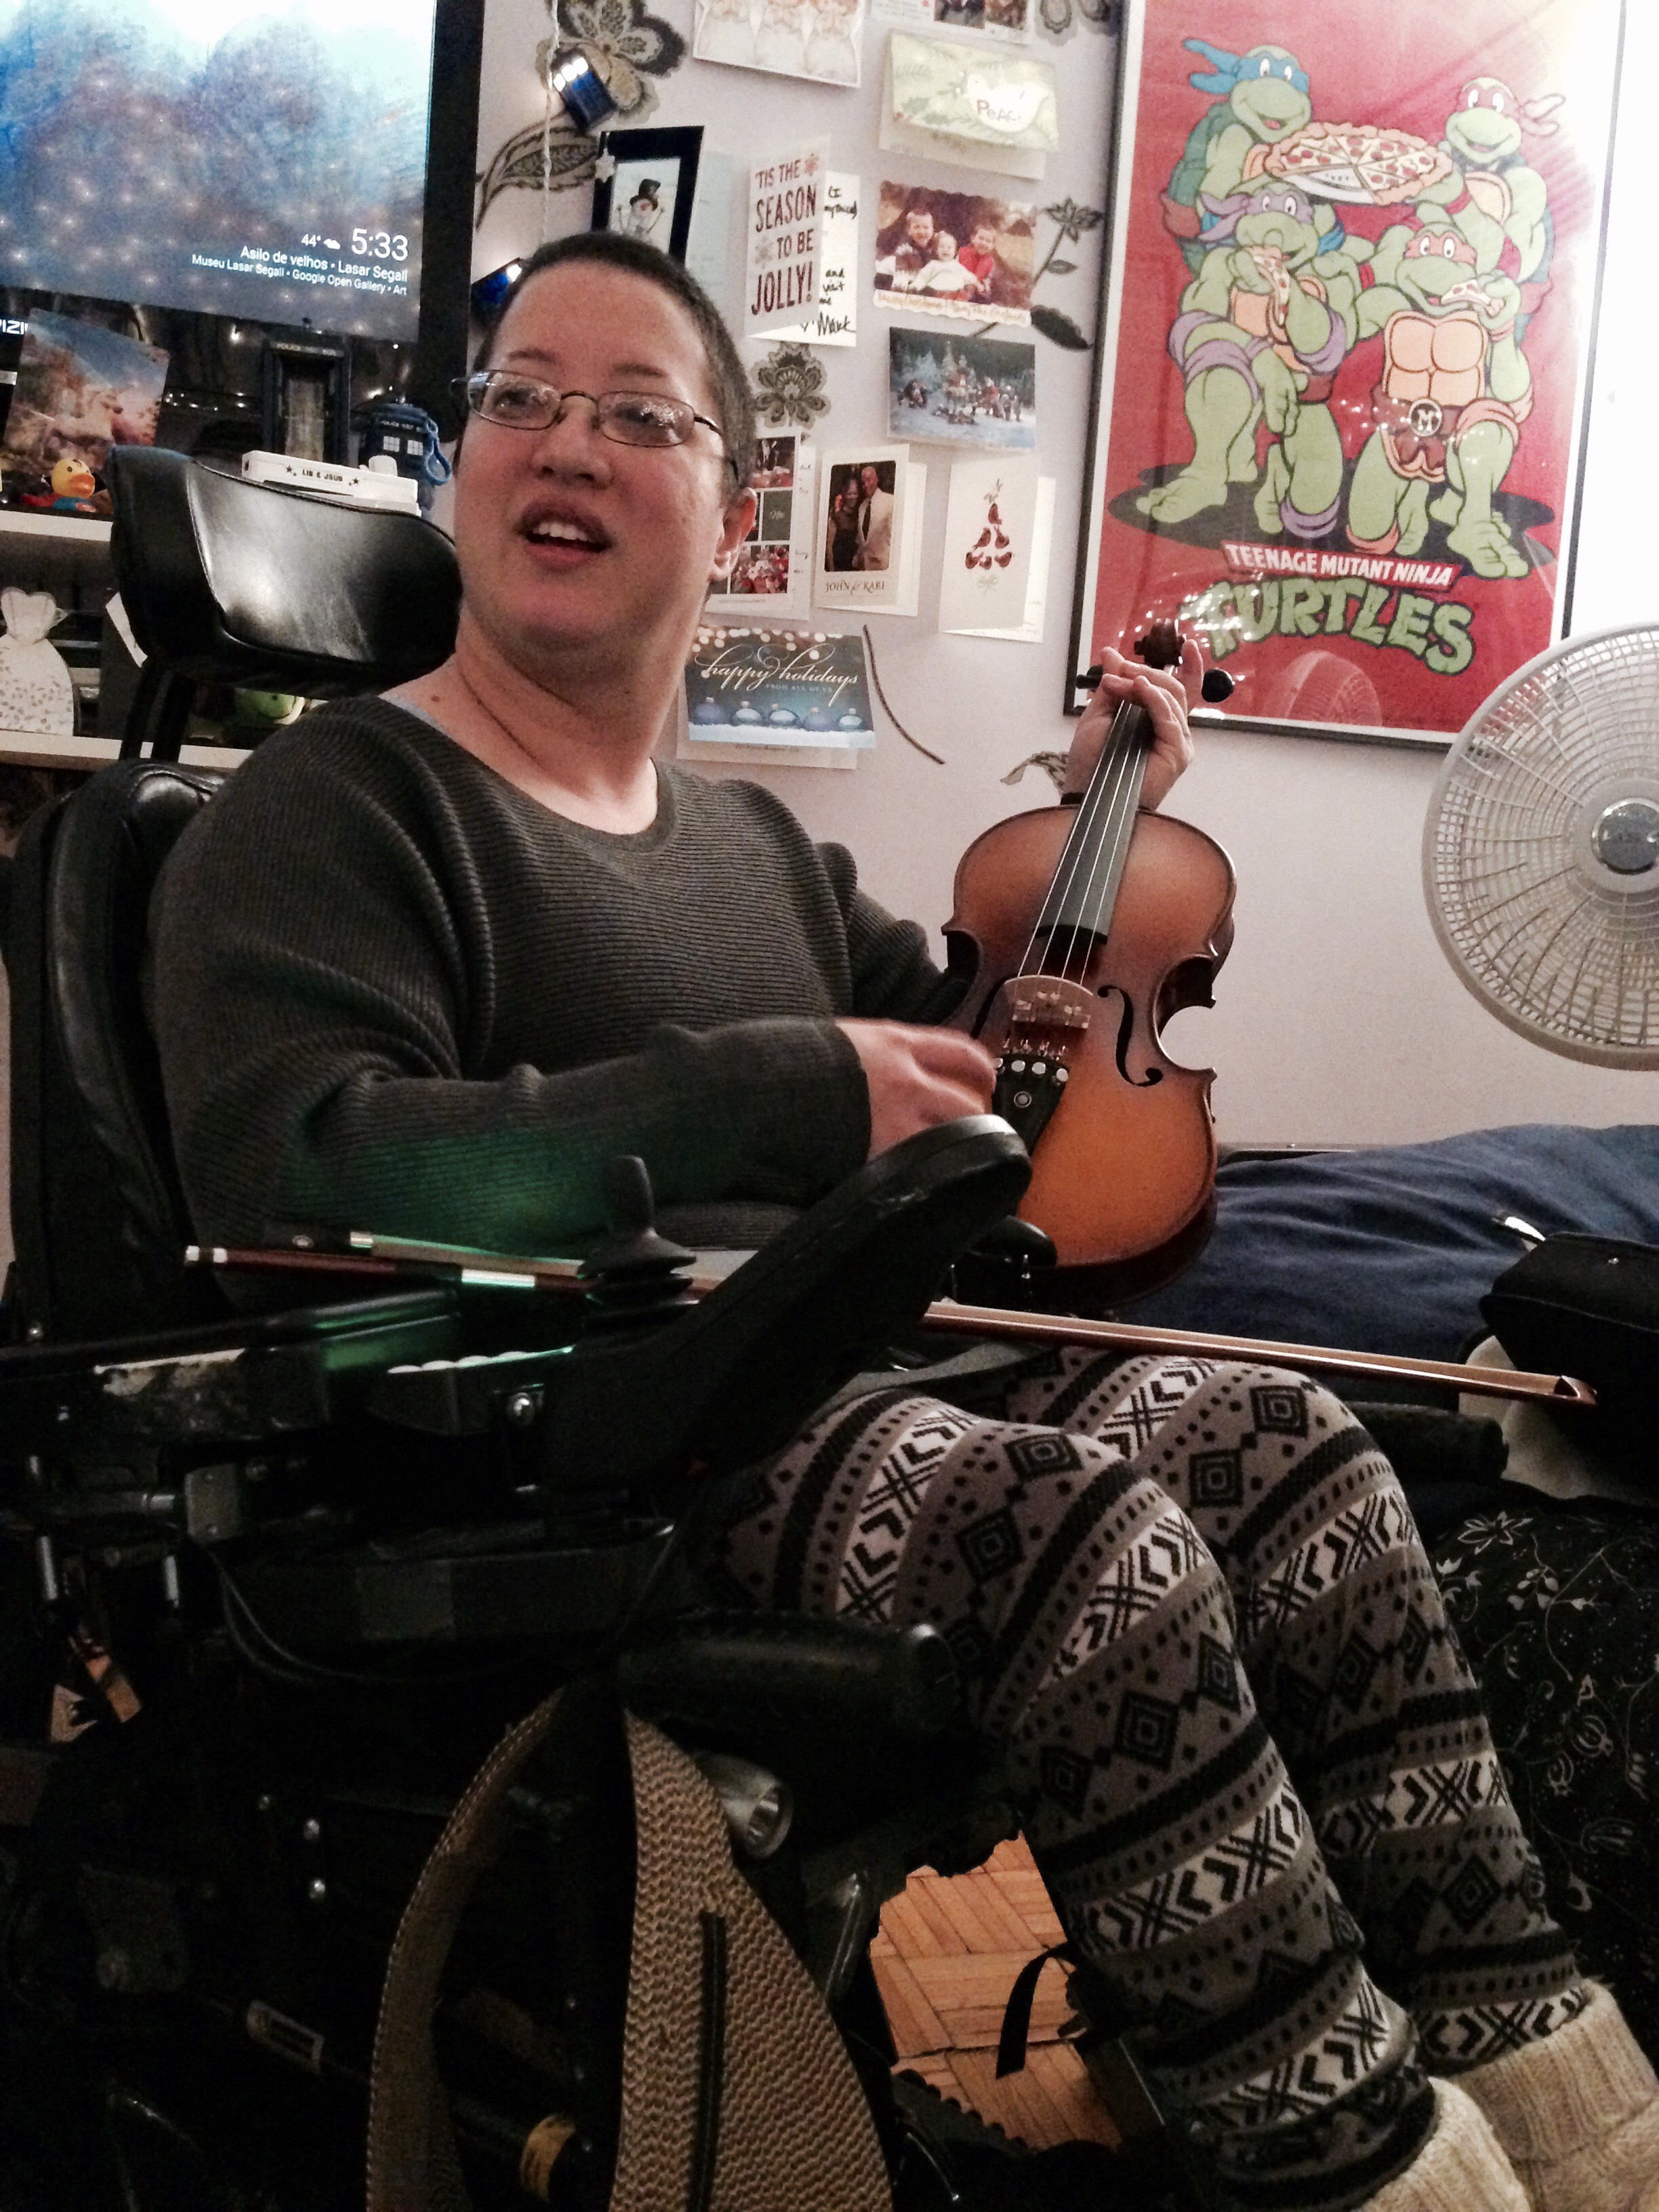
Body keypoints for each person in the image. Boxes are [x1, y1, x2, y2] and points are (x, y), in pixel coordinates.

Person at [150, 232, 1659, 2212]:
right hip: (559, 1460)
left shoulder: (753, 843)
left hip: (814, 1396)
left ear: (734, 505)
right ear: (463, 472)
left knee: (1301, 1454)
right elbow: (311, 1164)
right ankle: (1361, 2167)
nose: (562, 448)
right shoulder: (337, 805)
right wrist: (780, 1086)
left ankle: (1566, 2120)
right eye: (522, 397)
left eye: (634, 414)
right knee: (1084, 1542)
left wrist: (1110, 815)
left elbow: (990, 1079)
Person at [852, 460, 893, 570]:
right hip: (865, 569)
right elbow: (863, 542)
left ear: (876, 480)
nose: (866, 485)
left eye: (869, 480)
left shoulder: (890, 502)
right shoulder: (862, 507)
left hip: (884, 567)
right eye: (863, 482)